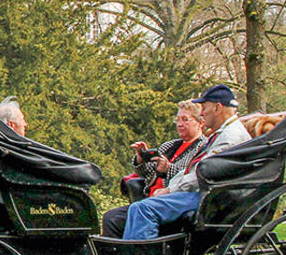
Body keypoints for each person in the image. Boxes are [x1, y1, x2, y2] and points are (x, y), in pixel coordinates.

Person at [121, 84, 251, 240]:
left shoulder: (230, 138)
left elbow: (202, 173)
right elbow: (196, 169)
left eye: (204, 107)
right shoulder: (224, 135)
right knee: (136, 208)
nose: (202, 113)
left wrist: (170, 191)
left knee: (143, 209)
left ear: (217, 108)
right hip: (209, 195)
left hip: (210, 199)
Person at [101, 100, 206, 238]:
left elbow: (190, 176)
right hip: (148, 198)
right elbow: (147, 173)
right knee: (111, 217)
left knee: (135, 212)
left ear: (200, 123)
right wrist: (141, 159)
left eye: (185, 120)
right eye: (178, 120)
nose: (180, 124)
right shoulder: (170, 146)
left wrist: (168, 169)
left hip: (171, 200)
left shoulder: (202, 148)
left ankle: (135, 254)